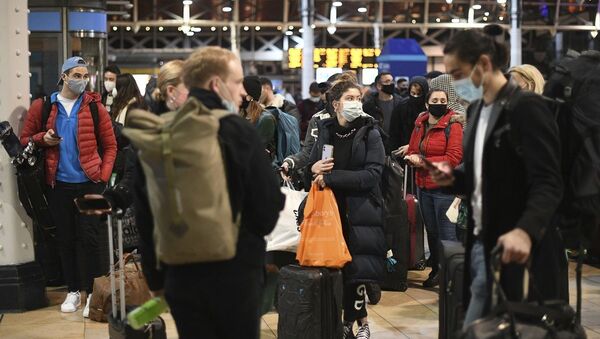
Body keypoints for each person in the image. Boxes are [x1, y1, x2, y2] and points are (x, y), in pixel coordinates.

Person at [135, 46, 284, 339]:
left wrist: (155, 277)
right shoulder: (238, 131)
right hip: (237, 271)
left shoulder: (160, 132)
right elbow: (268, 203)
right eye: (238, 82)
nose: (243, 91)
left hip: (180, 271)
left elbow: (146, 213)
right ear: (216, 84)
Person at [435, 27, 567, 328]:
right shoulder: (479, 109)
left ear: (483, 64)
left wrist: (525, 230)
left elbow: (548, 181)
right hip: (483, 243)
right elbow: (484, 177)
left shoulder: (526, 108)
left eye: (458, 74)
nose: (455, 84)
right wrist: (453, 180)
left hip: (520, 250)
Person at [20, 56, 117, 316]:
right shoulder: (43, 106)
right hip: (58, 184)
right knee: (65, 240)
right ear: (64, 76)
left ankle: (92, 294)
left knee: (90, 240)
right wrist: (44, 139)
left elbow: (110, 146)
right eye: (77, 75)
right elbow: (25, 138)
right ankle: (73, 291)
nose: (82, 81)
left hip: (90, 183)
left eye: (86, 76)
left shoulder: (95, 108)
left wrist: (103, 177)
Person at [307, 79, 386, 339]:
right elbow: (316, 162)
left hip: (361, 211)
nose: (356, 103)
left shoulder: (370, 132)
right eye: (350, 98)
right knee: (333, 269)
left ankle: (355, 324)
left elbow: (372, 175)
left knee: (357, 271)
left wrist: (332, 178)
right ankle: (341, 322)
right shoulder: (326, 130)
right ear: (336, 104)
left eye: (358, 99)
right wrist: (314, 168)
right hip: (330, 210)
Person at [404, 89, 464, 287]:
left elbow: (453, 159)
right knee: (432, 233)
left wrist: (423, 162)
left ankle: (453, 279)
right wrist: (412, 157)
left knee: (448, 236)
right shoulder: (420, 123)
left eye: (443, 100)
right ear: (427, 104)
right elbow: (414, 148)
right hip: (423, 187)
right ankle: (438, 271)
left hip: (444, 189)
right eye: (435, 100)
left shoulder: (453, 126)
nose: (439, 103)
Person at [388, 76, 429, 154]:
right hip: (402, 151)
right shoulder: (401, 107)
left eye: (419, 94)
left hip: (425, 151)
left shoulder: (429, 108)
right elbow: (394, 133)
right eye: (413, 93)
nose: (415, 97)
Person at [241, 75, 276, 159]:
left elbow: (253, 150)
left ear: (249, 97)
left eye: (241, 91)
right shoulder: (242, 116)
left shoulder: (265, 119)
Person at [362, 71, 403, 136]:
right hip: (376, 142)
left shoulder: (401, 103)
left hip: (396, 143)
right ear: (379, 86)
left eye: (392, 81)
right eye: (387, 81)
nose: (391, 84)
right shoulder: (369, 106)